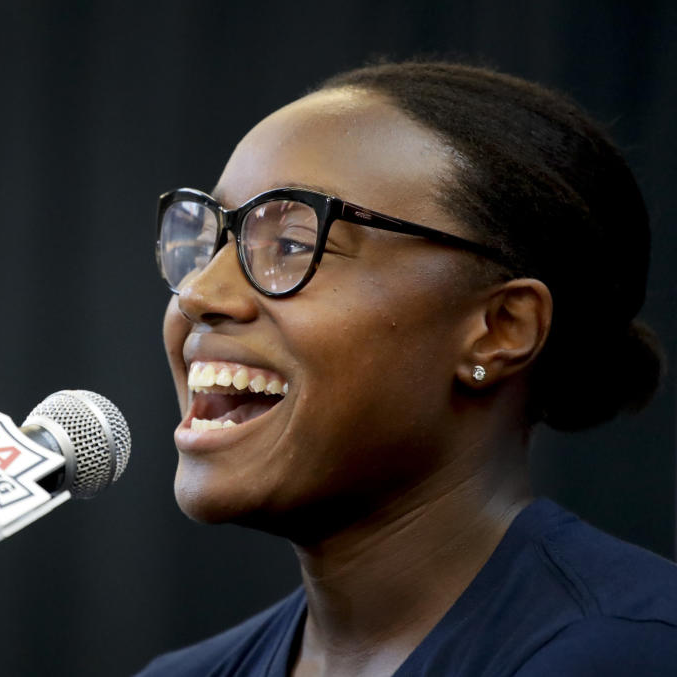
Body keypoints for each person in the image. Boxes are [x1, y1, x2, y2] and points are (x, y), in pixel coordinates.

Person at [137, 60, 676, 676]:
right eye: (210, 243)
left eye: (291, 245)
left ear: (500, 328)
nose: (201, 293)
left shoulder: (627, 652)